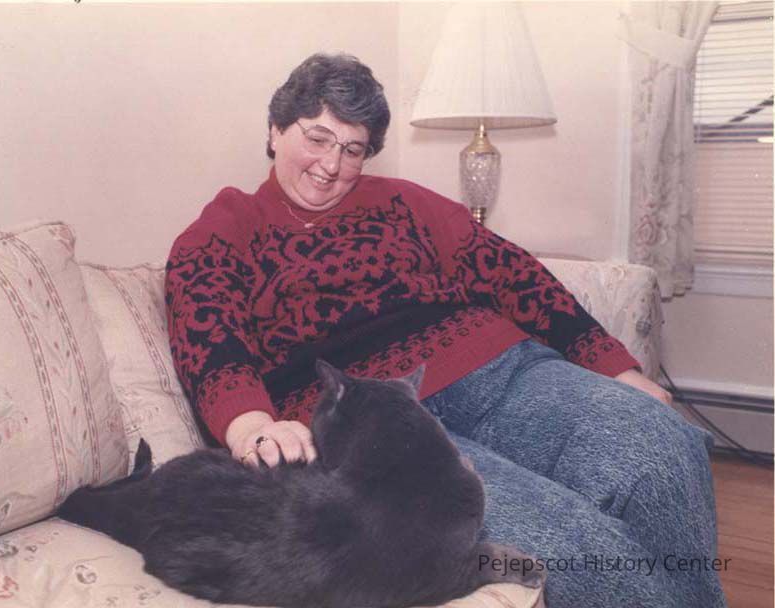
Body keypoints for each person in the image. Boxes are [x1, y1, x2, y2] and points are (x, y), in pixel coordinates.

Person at [165, 53, 726, 608]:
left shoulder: (403, 202)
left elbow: (512, 273)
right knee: (570, 542)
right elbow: (209, 337)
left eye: (352, 149)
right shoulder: (225, 227)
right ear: (275, 130)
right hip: (373, 425)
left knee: (661, 442)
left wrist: (616, 366)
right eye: (317, 138)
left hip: (501, 371)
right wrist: (252, 427)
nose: (331, 164)